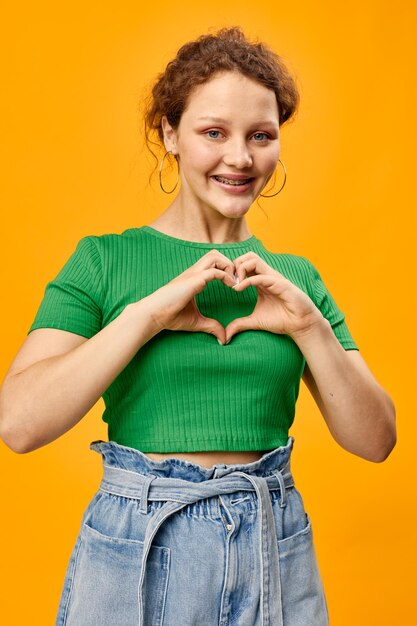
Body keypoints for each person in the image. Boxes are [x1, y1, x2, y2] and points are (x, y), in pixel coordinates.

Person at [0, 26, 396, 626]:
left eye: (261, 136)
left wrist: (310, 326)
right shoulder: (104, 261)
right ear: (170, 134)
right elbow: (19, 423)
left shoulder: (294, 281)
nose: (240, 158)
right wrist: (148, 317)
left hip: (272, 538)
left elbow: (376, 441)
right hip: (140, 539)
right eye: (214, 132)